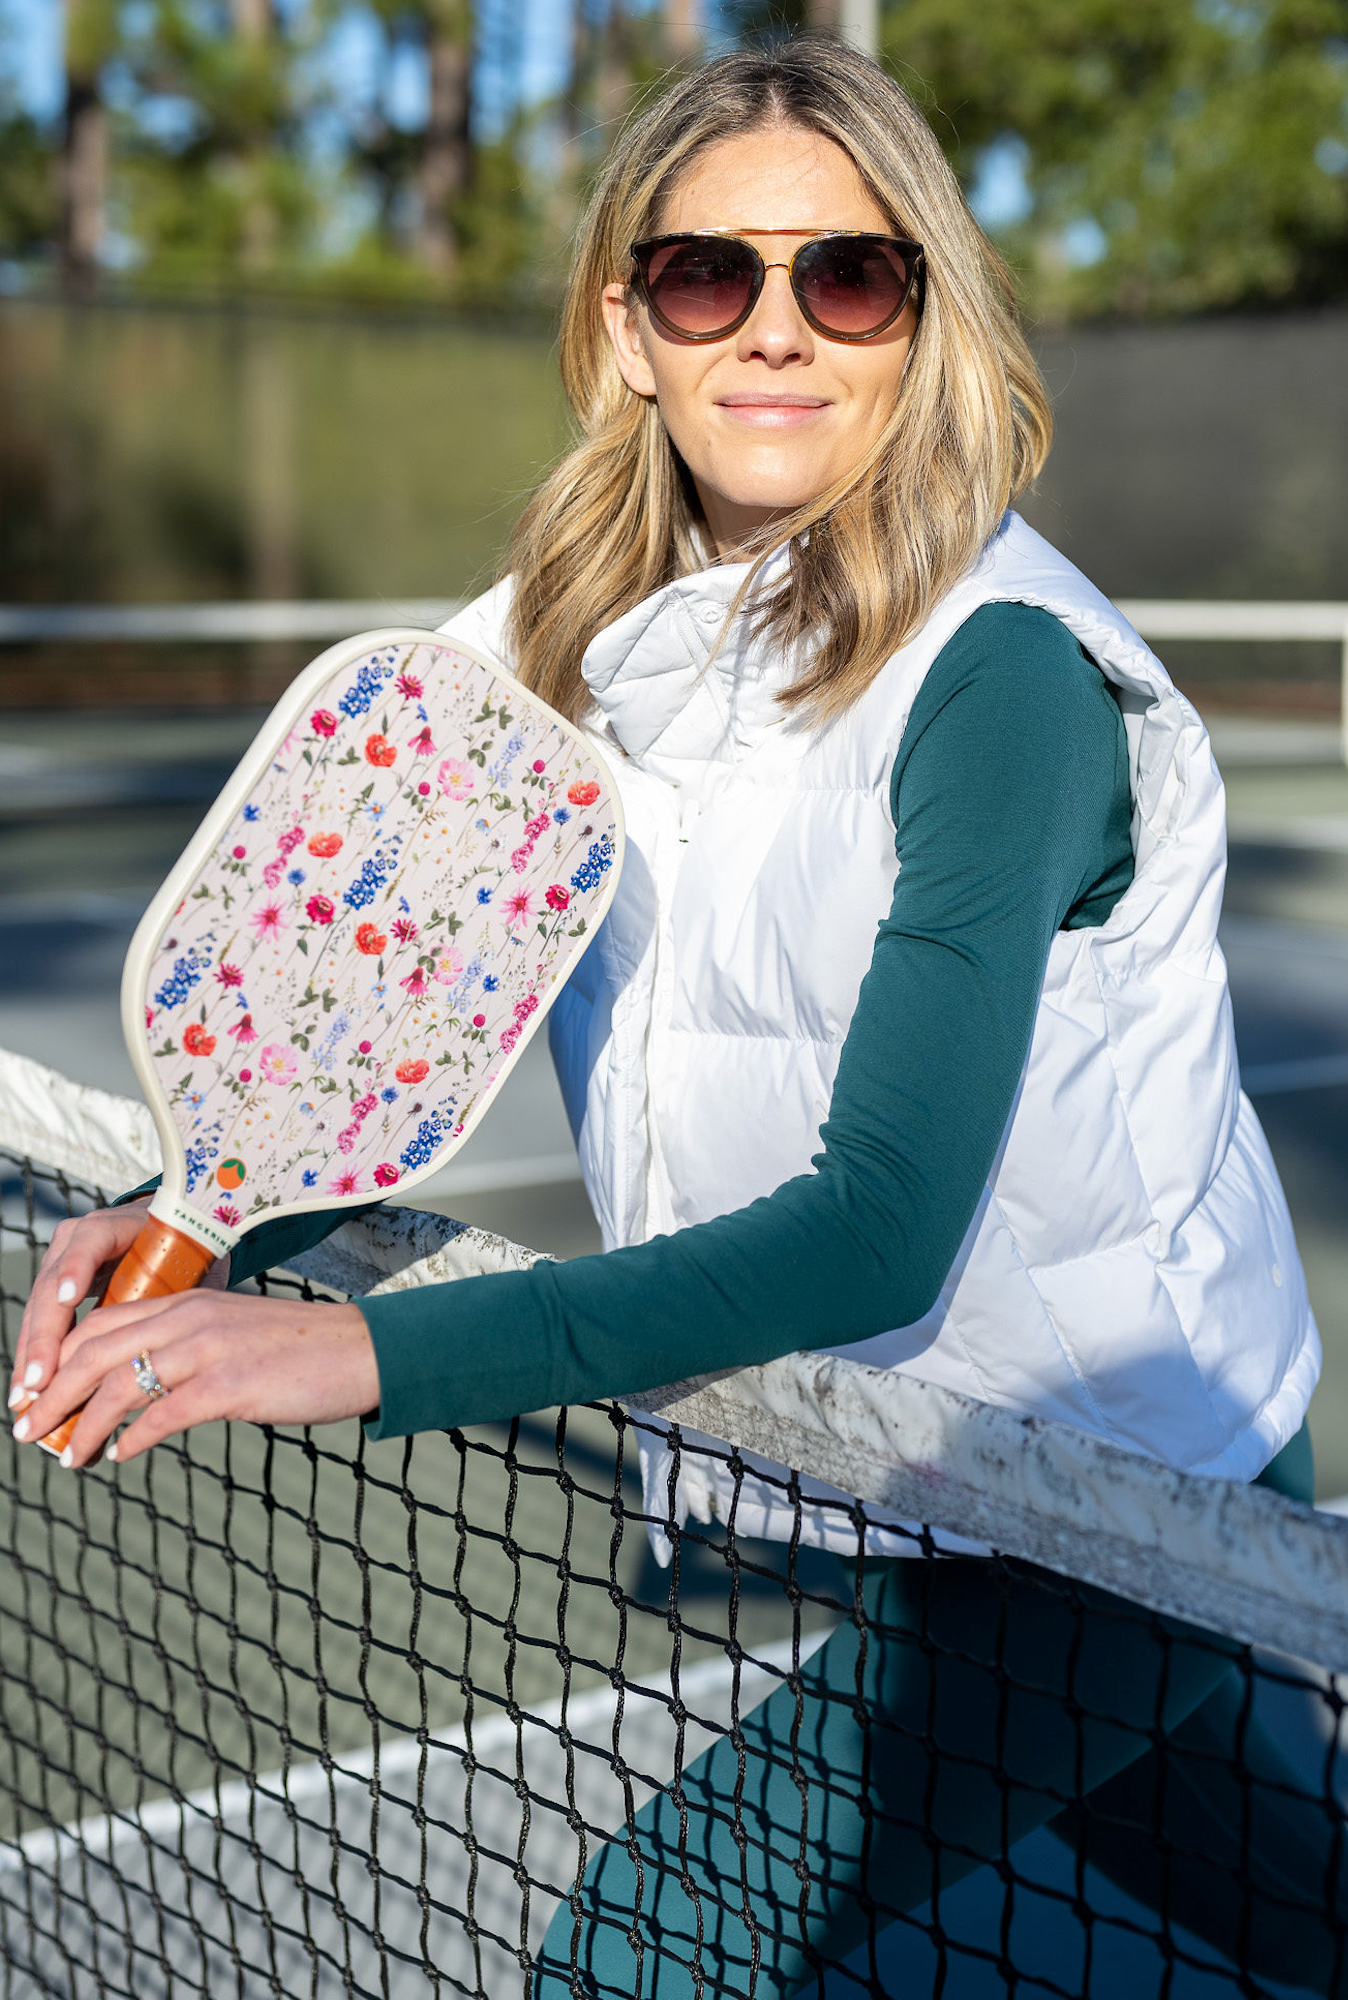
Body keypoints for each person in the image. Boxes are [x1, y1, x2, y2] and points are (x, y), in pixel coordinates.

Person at [10, 37, 1341, 1998]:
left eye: (848, 275)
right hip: (914, 1461)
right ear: (626, 327)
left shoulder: (1004, 684)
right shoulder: (562, 632)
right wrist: (212, 1210)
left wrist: (344, 1353)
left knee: (637, 1947)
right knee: (1270, 1892)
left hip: (1117, 1474)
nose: (776, 330)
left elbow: (872, 1223)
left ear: (921, 319)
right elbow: (385, 988)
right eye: (708, 274)